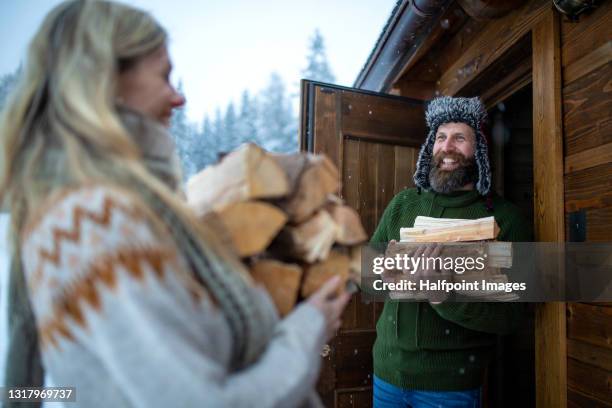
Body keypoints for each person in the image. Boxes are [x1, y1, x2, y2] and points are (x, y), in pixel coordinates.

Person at [0, 1, 350, 407]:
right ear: (103, 80)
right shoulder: (93, 221)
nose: (179, 96)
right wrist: (307, 331)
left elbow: (34, 386)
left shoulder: (84, 209)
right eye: (164, 75)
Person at [370, 96, 531, 408]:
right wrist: (382, 273)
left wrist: (443, 292)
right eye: (441, 137)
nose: (447, 148)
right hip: (386, 375)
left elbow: (511, 317)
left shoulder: (505, 219)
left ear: (480, 149)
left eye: (460, 138)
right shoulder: (403, 205)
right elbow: (367, 271)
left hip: (448, 386)